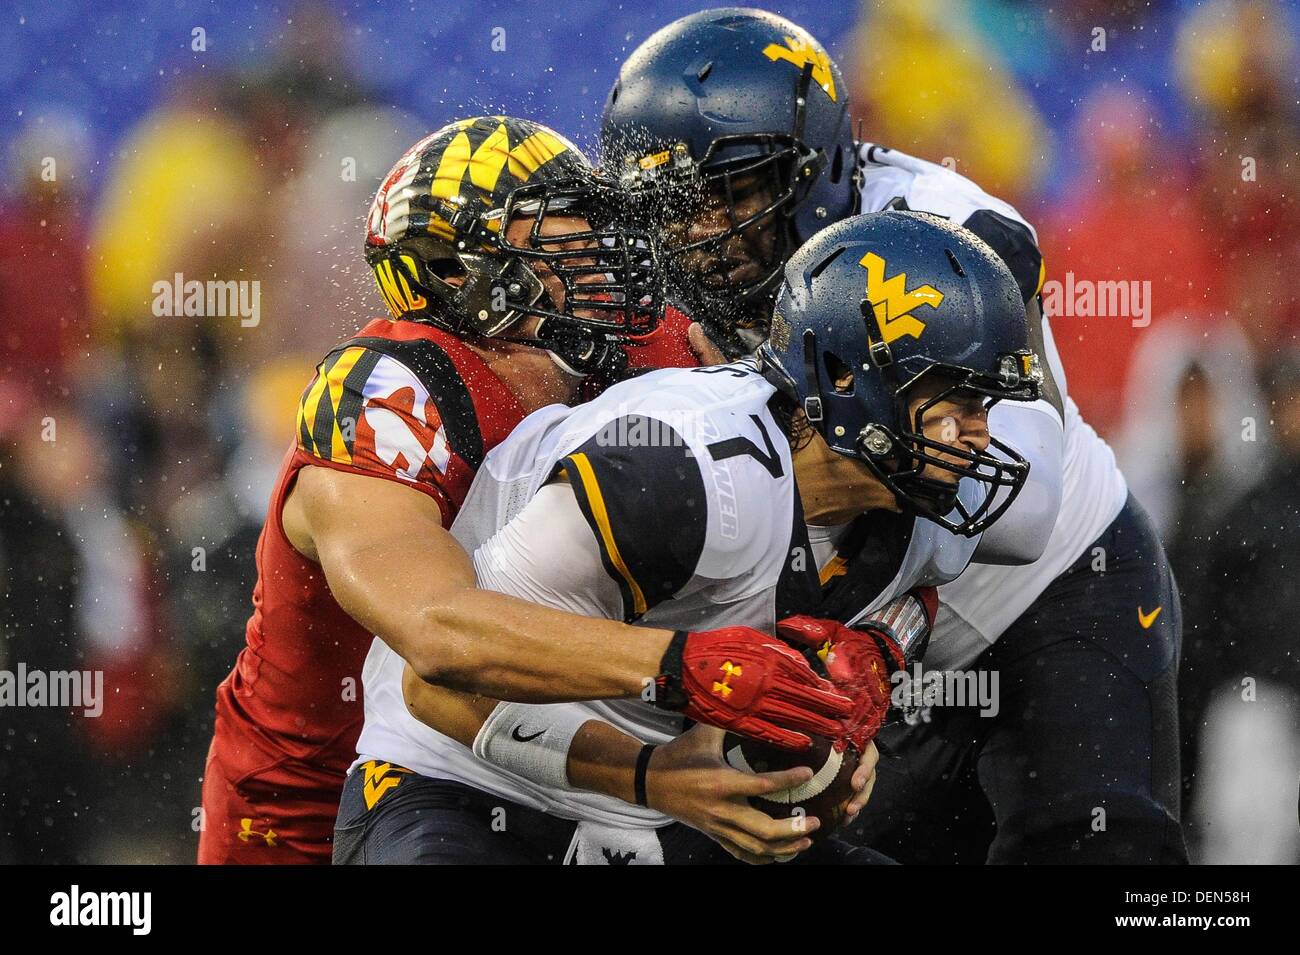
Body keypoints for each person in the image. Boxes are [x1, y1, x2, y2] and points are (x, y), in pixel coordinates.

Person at [600, 7, 1186, 863]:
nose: (696, 232)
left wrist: (780, 392)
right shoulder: (646, 287)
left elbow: (1020, 506)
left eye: (733, 191)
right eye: (671, 202)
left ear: (817, 169)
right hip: (862, 649)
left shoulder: (945, 233)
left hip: (1050, 600)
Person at [199, 116, 849, 864]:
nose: (602, 246)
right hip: (324, 788)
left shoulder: (643, 345)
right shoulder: (385, 396)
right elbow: (441, 633)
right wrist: (683, 665)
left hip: (546, 760)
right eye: (560, 225)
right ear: (456, 270)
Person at [333, 210, 1043, 865]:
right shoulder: (685, 473)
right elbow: (435, 678)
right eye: (958, 398)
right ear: (848, 376)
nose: (979, 436)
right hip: (465, 783)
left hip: (664, 805)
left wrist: (877, 651)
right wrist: (671, 709)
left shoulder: (933, 500)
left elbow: (908, 590)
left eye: (985, 403)